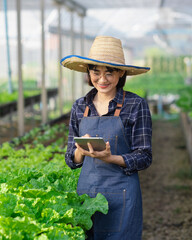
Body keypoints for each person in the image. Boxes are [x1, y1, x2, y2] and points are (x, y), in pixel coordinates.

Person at [61, 36, 152, 239]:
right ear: (88, 72)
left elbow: (144, 155)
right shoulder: (80, 106)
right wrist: (80, 151)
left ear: (121, 73)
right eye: (96, 72)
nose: (102, 79)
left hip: (122, 195)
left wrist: (112, 158)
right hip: (87, 195)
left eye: (109, 72)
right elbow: (70, 159)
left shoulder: (135, 105)